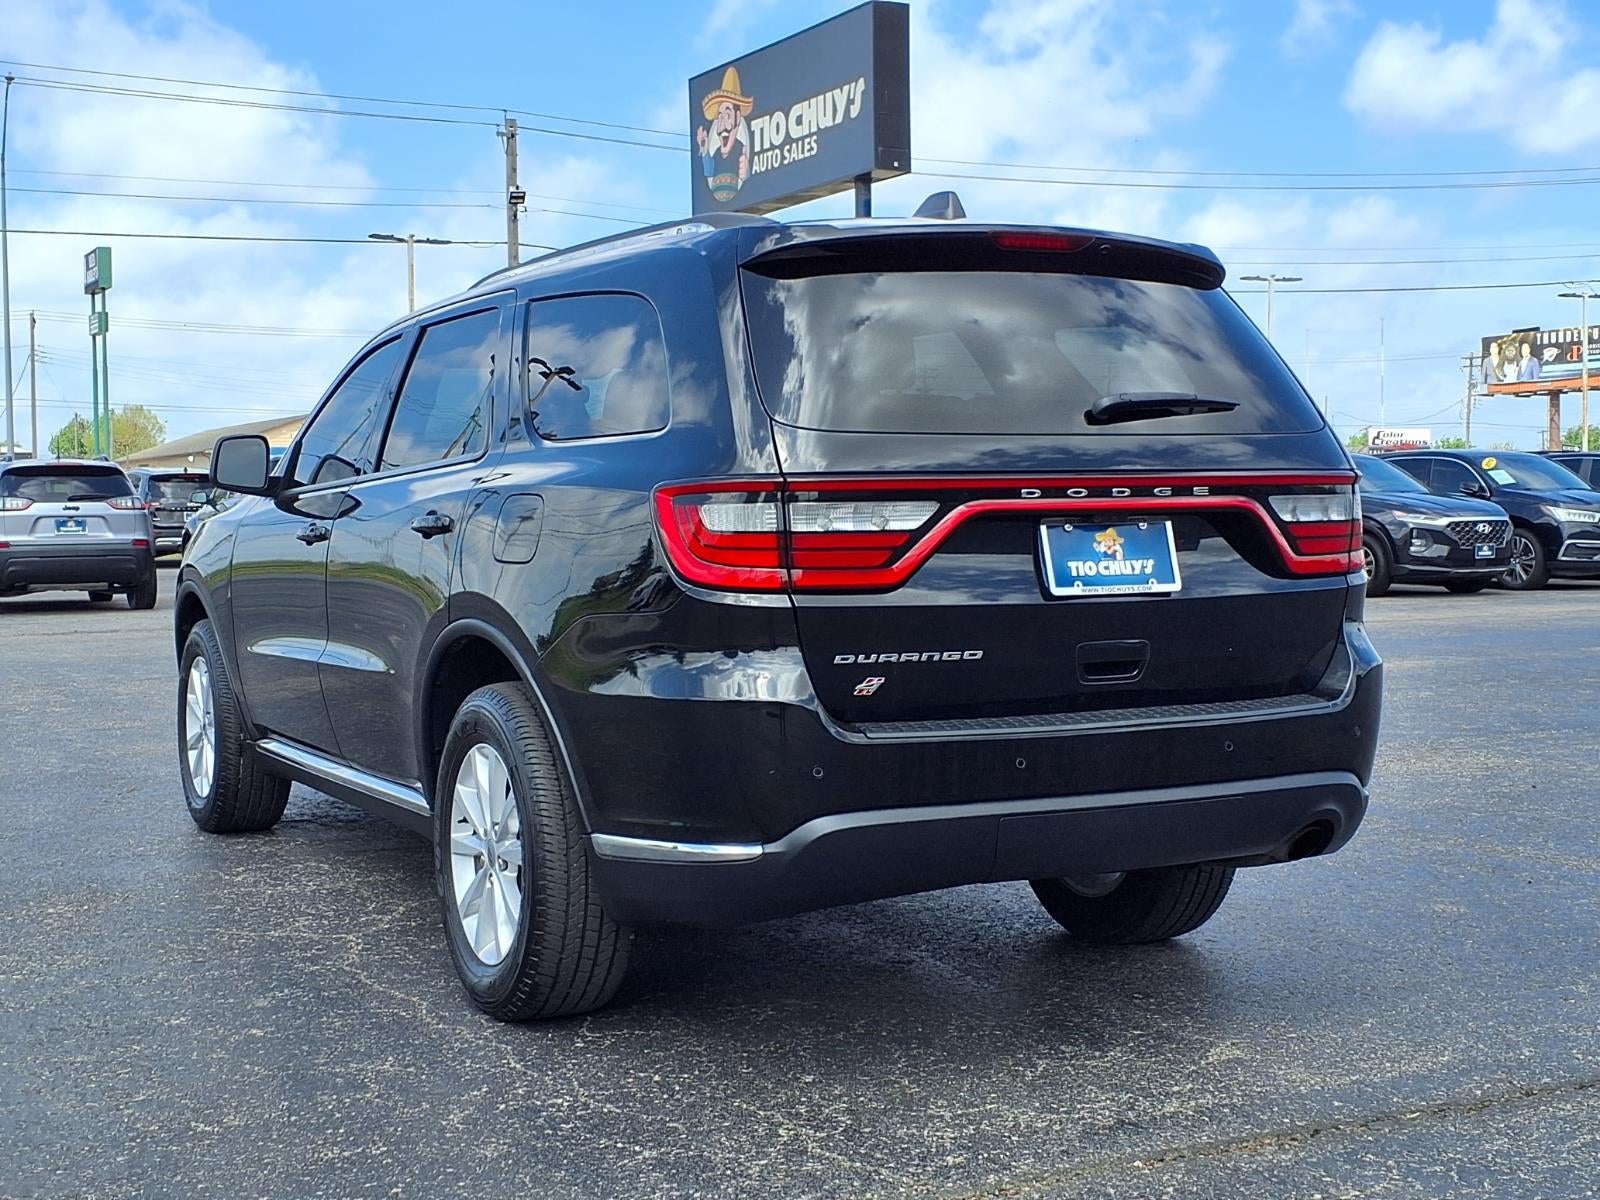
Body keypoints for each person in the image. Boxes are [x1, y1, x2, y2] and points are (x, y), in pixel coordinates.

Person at [695, 67, 754, 204]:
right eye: (719, 117)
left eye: (727, 115)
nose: (722, 125)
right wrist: (704, 151)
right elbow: (709, 173)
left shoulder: (741, 150)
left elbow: (746, 177)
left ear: (738, 118)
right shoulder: (716, 154)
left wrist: (747, 175)